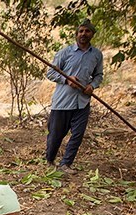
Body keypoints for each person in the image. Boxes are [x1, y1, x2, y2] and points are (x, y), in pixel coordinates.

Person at [45, 19, 103, 174]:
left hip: (82, 102)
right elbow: (50, 73)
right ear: (77, 34)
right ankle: (49, 159)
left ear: (92, 34)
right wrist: (67, 79)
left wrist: (92, 86)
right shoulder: (65, 52)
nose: (84, 34)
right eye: (81, 31)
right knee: (56, 135)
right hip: (62, 102)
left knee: (77, 135)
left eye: (87, 31)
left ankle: (66, 164)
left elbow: (98, 75)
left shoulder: (96, 55)